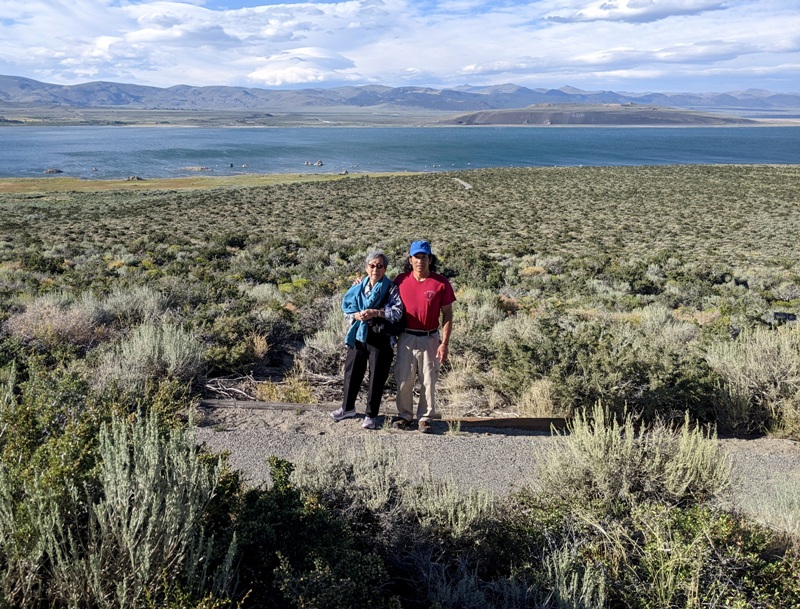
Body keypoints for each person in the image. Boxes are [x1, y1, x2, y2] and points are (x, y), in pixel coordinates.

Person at [330, 251, 404, 429]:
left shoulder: (391, 288)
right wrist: (356, 315)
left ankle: (371, 414)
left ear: (385, 268)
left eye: (379, 266)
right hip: (358, 334)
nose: (375, 269)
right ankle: (347, 408)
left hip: (380, 337)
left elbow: (397, 312)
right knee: (352, 372)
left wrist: (376, 313)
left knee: (377, 376)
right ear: (366, 267)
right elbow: (347, 310)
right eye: (372, 265)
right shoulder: (359, 286)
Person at [392, 240, 456, 433]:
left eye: (424, 257)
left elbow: (448, 314)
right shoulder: (400, 280)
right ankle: (404, 415)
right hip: (406, 337)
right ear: (410, 259)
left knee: (429, 379)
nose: (420, 261)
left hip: (430, 337)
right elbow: (379, 288)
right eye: (416, 257)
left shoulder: (440, 283)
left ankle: (425, 417)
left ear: (430, 259)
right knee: (404, 378)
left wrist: (444, 343)